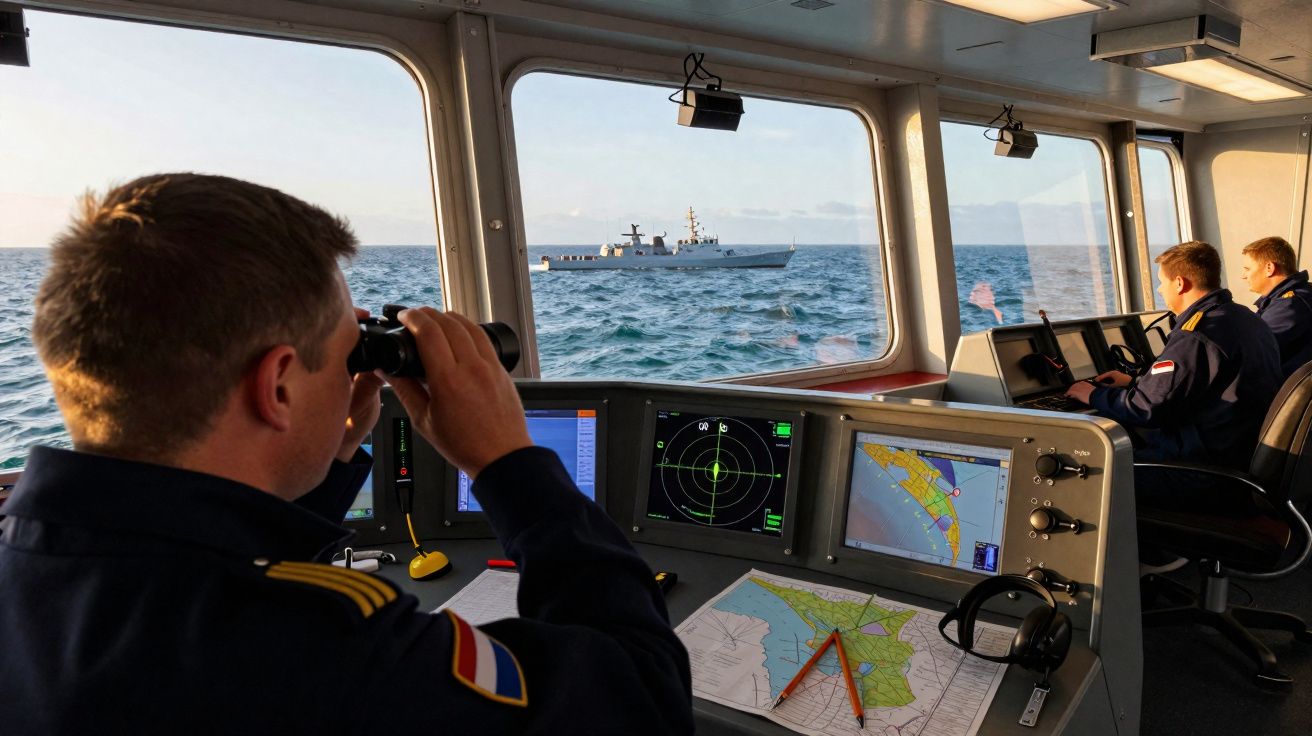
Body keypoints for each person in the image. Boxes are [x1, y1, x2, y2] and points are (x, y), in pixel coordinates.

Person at [0, 174, 693, 734]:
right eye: (344, 356)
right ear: (276, 385)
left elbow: (214, 566)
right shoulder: (327, 646)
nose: (353, 377)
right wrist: (508, 462)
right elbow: (643, 698)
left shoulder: (35, 565)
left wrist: (320, 458)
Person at [1065, 241, 1281, 513]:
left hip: (1202, 475)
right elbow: (1198, 385)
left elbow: (1146, 408)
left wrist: (1092, 394)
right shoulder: (1245, 318)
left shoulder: (1196, 335)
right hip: (1237, 460)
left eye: (1161, 282)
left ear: (1180, 283)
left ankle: (1136, 554)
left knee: (1085, 474)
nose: (1159, 289)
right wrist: (1133, 382)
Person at [1239, 235, 1312, 378]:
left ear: (1269, 268)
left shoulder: (1290, 305)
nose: (1244, 276)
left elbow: (1256, 353)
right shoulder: (1286, 300)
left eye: (1248, 269)